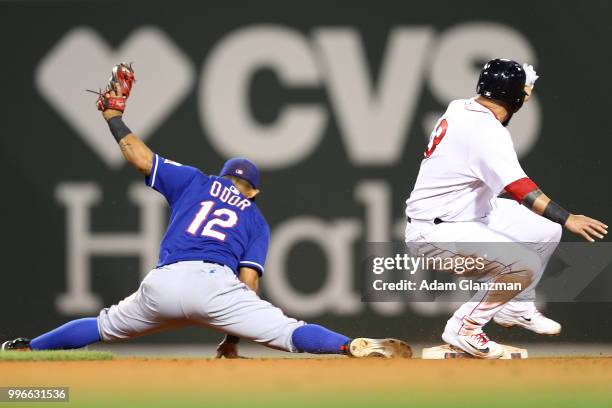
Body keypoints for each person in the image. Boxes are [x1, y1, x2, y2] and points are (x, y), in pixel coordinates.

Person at [1, 63, 411, 359]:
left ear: (222, 177)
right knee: (291, 331)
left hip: (162, 284)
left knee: (103, 325)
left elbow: (142, 159)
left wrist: (114, 117)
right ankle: (349, 345)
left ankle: (24, 348)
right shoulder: (255, 218)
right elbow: (248, 285)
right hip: (216, 287)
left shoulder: (197, 181)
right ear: (255, 191)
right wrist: (232, 338)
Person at [404, 59, 607, 358]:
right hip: (435, 234)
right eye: (524, 91)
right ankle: (466, 327)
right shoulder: (486, 131)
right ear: (515, 97)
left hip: (464, 215)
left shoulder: (461, 107)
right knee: (523, 263)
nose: (528, 95)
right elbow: (519, 189)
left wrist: (518, 83)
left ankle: (515, 306)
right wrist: (568, 218)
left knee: (543, 230)